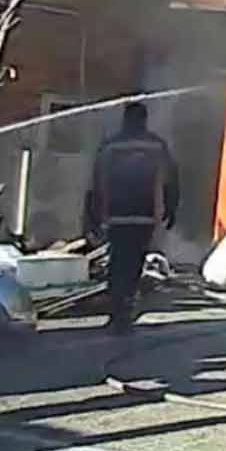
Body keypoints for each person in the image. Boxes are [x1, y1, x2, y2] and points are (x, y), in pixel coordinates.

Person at [88, 102, 179, 334]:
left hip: (116, 215)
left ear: (125, 119)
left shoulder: (111, 145)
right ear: (144, 119)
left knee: (117, 263)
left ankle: (116, 313)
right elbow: (171, 178)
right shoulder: (156, 145)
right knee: (134, 264)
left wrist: (93, 214)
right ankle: (125, 311)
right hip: (144, 215)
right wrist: (171, 207)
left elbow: (97, 181)